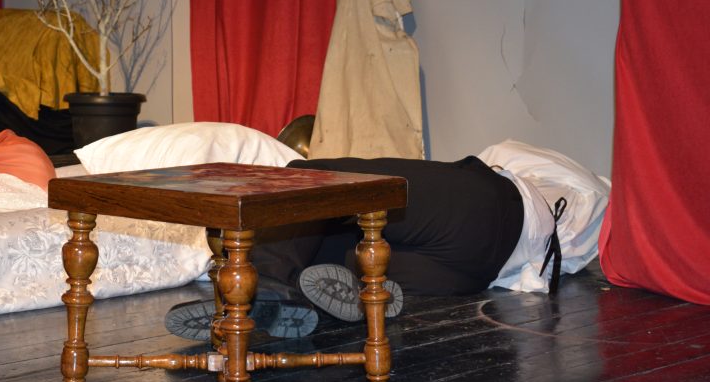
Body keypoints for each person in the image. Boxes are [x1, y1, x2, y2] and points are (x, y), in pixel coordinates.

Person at [166, 143, 603, 342]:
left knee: (312, 179)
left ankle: (257, 291)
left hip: (489, 211)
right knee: (334, 250)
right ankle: (322, 296)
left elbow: (500, 154)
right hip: (479, 269)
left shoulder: (561, 178)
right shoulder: (589, 201)